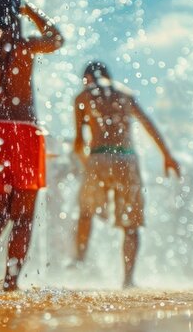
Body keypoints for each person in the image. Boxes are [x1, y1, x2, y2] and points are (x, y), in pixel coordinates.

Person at [0, 0, 63, 291]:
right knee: (22, 218)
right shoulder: (24, 46)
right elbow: (56, 39)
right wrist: (30, 10)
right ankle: (10, 281)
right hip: (25, 133)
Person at [71, 61, 181, 288]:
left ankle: (79, 261)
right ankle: (128, 279)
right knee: (130, 224)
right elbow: (148, 124)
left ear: (87, 78)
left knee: (86, 212)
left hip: (98, 157)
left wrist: (86, 165)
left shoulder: (83, 97)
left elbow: (78, 143)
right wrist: (167, 155)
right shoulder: (125, 94)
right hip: (126, 159)